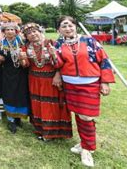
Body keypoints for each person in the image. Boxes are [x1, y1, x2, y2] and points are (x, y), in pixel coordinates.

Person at [54, 16, 115, 167]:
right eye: (63, 26)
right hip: (70, 84)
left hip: (90, 83)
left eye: (70, 25)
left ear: (75, 26)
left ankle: (87, 149)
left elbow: (104, 60)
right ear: (59, 30)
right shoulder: (59, 44)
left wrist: (105, 81)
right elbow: (59, 64)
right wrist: (52, 54)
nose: (67, 28)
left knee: (87, 116)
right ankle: (84, 143)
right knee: (79, 114)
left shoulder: (89, 41)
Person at [19, 23, 72, 141]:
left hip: (51, 79)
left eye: (34, 31)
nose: (32, 35)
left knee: (51, 105)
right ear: (26, 37)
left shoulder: (51, 43)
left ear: (40, 31)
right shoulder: (26, 47)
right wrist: (22, 58)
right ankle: (41, 130)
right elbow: (25, 65)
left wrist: (58, 74)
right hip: (34, 80)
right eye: (29, 33)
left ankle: (54, 132)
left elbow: (62, 61)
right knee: (38, 104)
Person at [0, 22, 29, 134]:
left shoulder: (22, 42)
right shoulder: (1, 44)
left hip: (21, 72)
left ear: (16, 31)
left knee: (20, 94)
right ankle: (10, 120)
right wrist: (0, 58)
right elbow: (0, 58)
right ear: (4, 32)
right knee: (9, 94)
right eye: (7, 30)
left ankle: (18, 118)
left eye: (12, 29)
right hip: (8, 73)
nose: (10, 31)